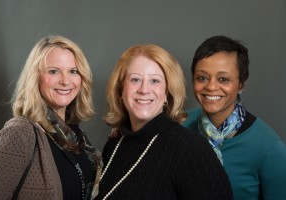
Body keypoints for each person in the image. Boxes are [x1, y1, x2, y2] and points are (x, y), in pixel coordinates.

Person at [93, 44, 233, 200]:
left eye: (154, 81)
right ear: (121, 90)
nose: (144, 89)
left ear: (167, 93)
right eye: (135, 79)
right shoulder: (114, 145)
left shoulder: (190, 148)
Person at [0, 35, 101, 200]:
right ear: (36, 78)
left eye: (73, 71)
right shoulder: (19, 135)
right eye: (54, 71)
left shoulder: (74, 136)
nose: (65, 80)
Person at [182, 35, 286, 200]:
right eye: (202, 77)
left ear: (241, 84)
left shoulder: (270, 149)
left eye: (223, 79)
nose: (211, 87)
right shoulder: (180, 126)